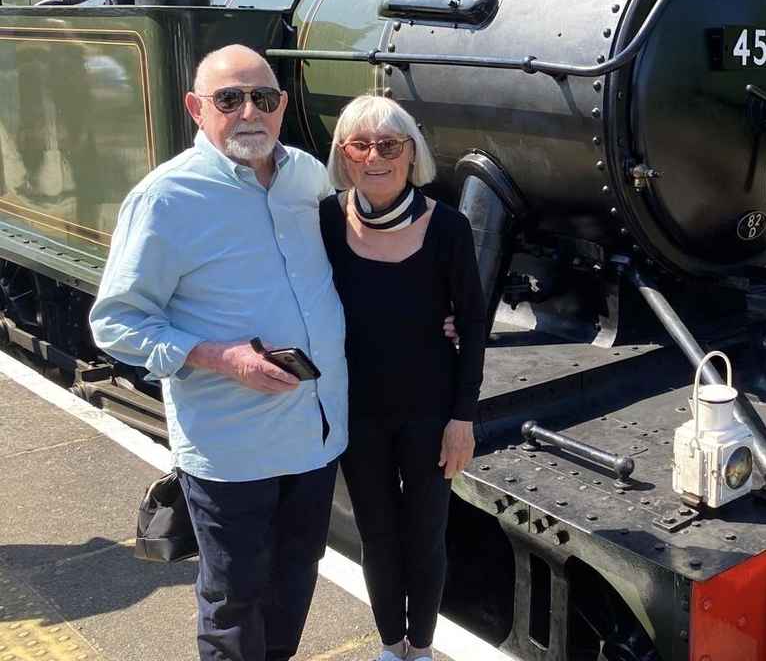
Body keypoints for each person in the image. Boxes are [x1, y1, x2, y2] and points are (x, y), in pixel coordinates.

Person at [91, 44, 348, 661]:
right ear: (196, 108)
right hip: (230, 448)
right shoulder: (165, 199)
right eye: (229, 99)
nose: (249, 112)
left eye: (264, 98)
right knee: (234, 599)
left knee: (295, 582)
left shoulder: (307, 176)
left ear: (283, 106)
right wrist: (220, 357)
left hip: (315, 436)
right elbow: (116, 323)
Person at [319, 95, 485, 661]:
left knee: (426, 538)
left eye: (389, 145)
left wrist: (463, 418)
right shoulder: (323, 221)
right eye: (359, 145)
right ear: (344, 156)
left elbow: (474, 327)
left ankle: (424, 645)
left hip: (430, 413)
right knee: (377, 536)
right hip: (358, 414)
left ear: (411, 154)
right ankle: (392, 646)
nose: (374, 157)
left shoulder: (449, 229)